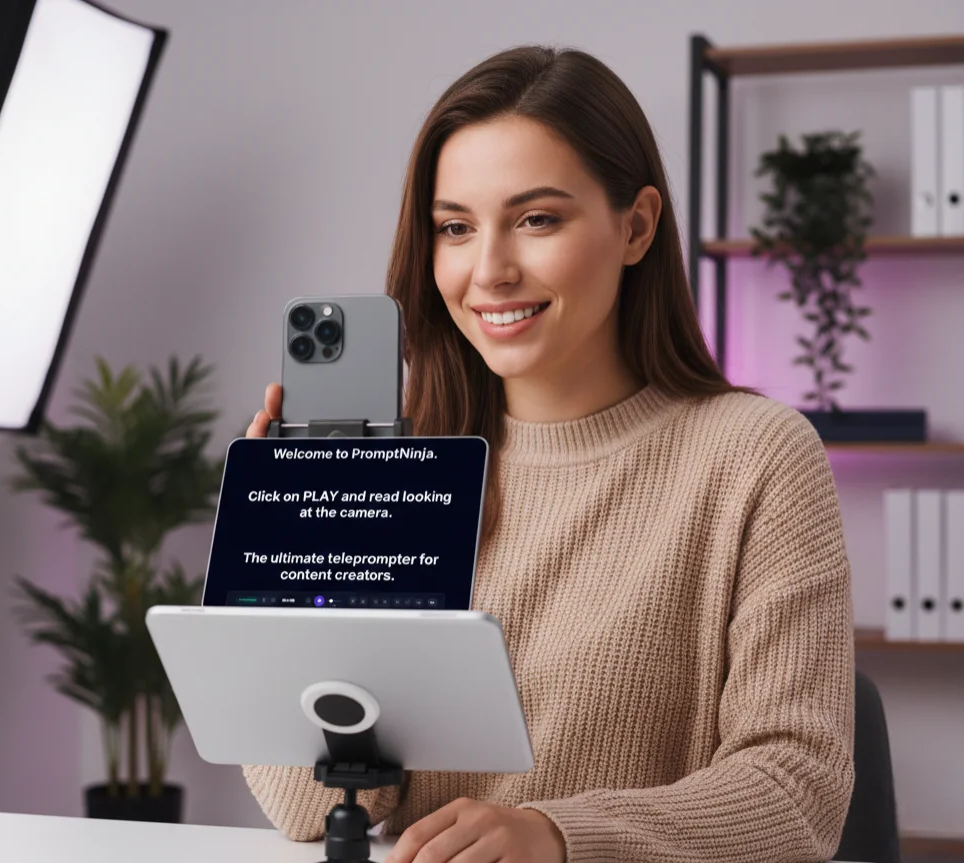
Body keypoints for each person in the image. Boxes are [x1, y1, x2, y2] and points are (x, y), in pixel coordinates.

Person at [242, 45, 855, 863]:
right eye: (455, 228)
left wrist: (561, 835)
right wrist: (304, 552)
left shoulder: (757, 457)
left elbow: (798, 791)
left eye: (536, 219)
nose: (490, 270)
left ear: (636, 226)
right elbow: (308, 809)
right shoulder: (405, 475)